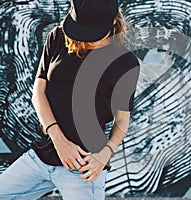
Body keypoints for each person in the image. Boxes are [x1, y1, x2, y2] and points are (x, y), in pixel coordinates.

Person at [0, 0, 140, 199]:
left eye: (94, 32)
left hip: (83, 166)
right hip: (42, 154)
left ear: (113, 22)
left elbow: (122, 119)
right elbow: (38, 93)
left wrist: (104, 155)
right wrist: (58, 139)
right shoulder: (58, 37)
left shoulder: (125, 64)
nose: (87, 39)